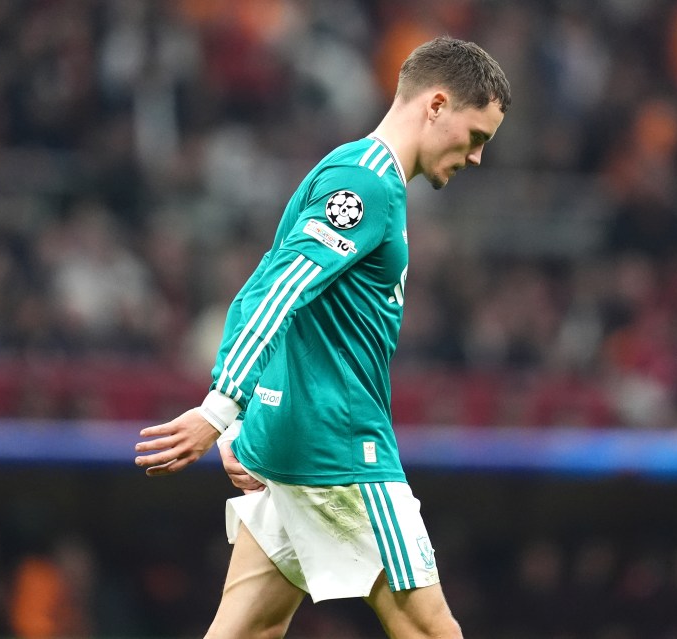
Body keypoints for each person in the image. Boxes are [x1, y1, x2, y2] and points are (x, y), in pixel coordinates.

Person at [134, 35, 510, 638]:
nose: (476, 158)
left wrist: (248, 422)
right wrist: (221, 406)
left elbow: (282, 296)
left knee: (244, 631)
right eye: (477, 137)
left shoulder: (352, 171)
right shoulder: (368, 186)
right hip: (343, 455)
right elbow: (276, 290)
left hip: (294, 445)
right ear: (436, 105)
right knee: (432, 630)